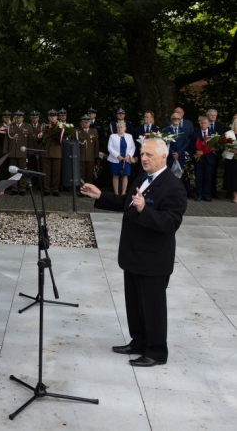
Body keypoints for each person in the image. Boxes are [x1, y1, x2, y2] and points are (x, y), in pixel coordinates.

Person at [81, 138, 187, 367]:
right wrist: (101, 196)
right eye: (143, 154)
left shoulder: (174, 186)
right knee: (135, 304)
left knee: (153, 307)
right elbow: (126, 202)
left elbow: (170, 223)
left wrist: (144, 209)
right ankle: (139, 342)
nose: (144, 158)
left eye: (150, 154)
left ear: (163, 157)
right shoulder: (142, 178)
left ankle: (156, 352)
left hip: (153, 258)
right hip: (133, 254)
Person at [3, 111, 32, 195]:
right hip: (12, 153)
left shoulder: (27, 127)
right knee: (12, 172)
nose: (18, 119)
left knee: (23, 171)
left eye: (19, 117)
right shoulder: (10, 126)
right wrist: (6, 152)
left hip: (23, 153)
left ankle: (22, 188)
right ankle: (14, 188)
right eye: (16, 117)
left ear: (22, 118)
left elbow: (30, 140)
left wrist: (29, 152)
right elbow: (6, 140)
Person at [191, 116, 218, 202]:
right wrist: (196, 151)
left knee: (208, 177)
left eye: (205, 123)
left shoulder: (213, 133)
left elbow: (218, 146)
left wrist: (214, 148)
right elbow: (191, 145)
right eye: (202, 123)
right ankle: (199, 195)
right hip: (199, 159)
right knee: (199, 178)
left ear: (208, 124)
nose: (203, 125)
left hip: (209, 159)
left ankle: (207, 195)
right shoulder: (196, 133)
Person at [107, 121, 135, 195]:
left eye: (121, 127)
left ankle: (123, 193)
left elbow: (133, 147)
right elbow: (109, 148)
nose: (120, 129)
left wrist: (129, 155)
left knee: (125, 176)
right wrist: (117, 156)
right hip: (115, 159)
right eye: (118, 127)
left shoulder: (129, 136)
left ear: (125, 128)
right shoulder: (112, 136)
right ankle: (116, 193)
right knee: (115, 175)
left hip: (126, 159)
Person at [40, 110, 62, 196]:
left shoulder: (60, 126)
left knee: (56, 172)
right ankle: (47, 189)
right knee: (46, 172)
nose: (52, 117)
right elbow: (41, 136)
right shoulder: (44, 126)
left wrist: (58, 138)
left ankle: (55, 189)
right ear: (48, 117)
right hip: (46, 151)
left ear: (57, 117)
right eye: (50, 116)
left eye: (54, 116)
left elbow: (63, 139)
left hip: (56, 152)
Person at [77, 115, 100, 186]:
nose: (86, 123)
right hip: (81, 156)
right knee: (81, 174)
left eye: (88, 122)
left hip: (90, 157)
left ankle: (89, 190)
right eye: (84, 122)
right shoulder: (78, 132)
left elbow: (96, 145)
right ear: (81, 123)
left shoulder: (94, 132)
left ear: (90, 123)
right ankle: (82, 189)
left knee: (89, 175)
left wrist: (96, 156)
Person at [223, 118, 237, 203]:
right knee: (234, 178)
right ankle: (235, 195)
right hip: (232, 159)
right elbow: (225, 146)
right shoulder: (228, 134)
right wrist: (234, 150)